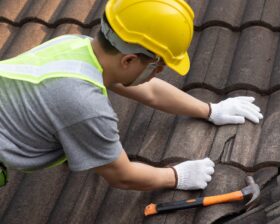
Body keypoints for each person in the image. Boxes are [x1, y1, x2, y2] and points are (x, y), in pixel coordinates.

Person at [0, 0, 263, 191]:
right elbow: (121, 175)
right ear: (128, 60)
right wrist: (176, 176)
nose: (157, 73)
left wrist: (210, 110)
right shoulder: (84, 104)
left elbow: (149, 91)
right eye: (157, 66)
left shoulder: (75, 45)